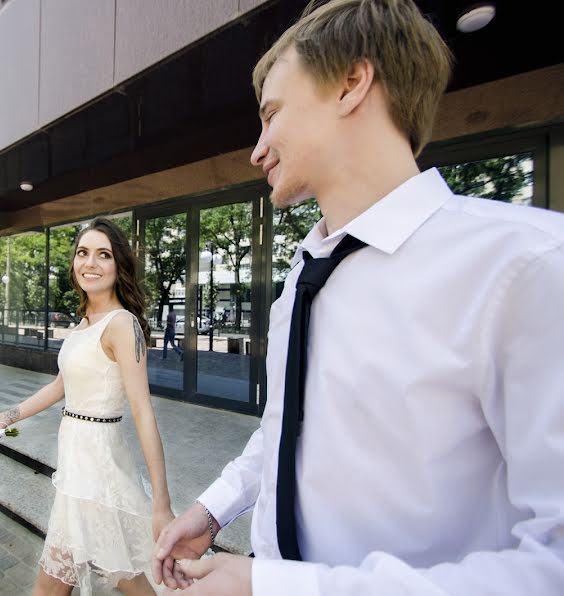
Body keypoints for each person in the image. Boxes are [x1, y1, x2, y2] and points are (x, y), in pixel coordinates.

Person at [152, 0, 564, 594]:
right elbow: (288, 425)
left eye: (272, 115)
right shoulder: (302, 277)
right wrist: (214, 509)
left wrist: (273, 588)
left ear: (351, 83)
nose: (257, 148)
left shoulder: (526, 267)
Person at [0, 218, 174, 595]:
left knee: (102, 578)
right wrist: (6, 416)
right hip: (76, 462)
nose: (90, 263)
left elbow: (143, 411)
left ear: (118, 266)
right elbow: (61, 386)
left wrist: (162, 503)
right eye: (83, 253)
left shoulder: (121, 324)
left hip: (99, 466)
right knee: (120, 575)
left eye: (103, 255)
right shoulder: (84, 323)